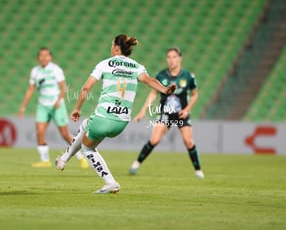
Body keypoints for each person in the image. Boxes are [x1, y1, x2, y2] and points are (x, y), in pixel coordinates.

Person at [55, 35, 176, 194]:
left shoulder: (105, 64)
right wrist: (165, 90)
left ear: (117, 48)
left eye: (112, 45)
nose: (111, 48)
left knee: (88, 148)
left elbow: (86, 89)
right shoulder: (137, 67)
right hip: (122, 122)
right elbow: (149, 81)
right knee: (86, 125)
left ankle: (110, 182)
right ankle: (64, 158)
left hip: (104, 116)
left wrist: (77, 108)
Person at [129, 47, 204, 179]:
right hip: (165, 114)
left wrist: (187, 109)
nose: (171, 60)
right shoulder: (161, 75)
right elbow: (153, 93)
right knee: (154, 140)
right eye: (169, 57)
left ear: (180, 58)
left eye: (174, 57)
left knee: (188, 141)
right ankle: (137, 163)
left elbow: (195, 95)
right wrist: (143, 111)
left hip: (182, 113)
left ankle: (198, 170)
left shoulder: (188, 76)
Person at [19, 47, 88, 168]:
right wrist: (23, 106)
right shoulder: (35, 71)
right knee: (40, 132)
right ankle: (45, 160)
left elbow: (63, 87)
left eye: (46, 55)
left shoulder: (56, 70)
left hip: (57, 105)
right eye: (41, 55)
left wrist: (59, 100)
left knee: (65, 134)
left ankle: (81, 158)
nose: (44, 57)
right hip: (42, 105)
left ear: (50, 57)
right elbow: (31, 89)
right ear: (38, 57)